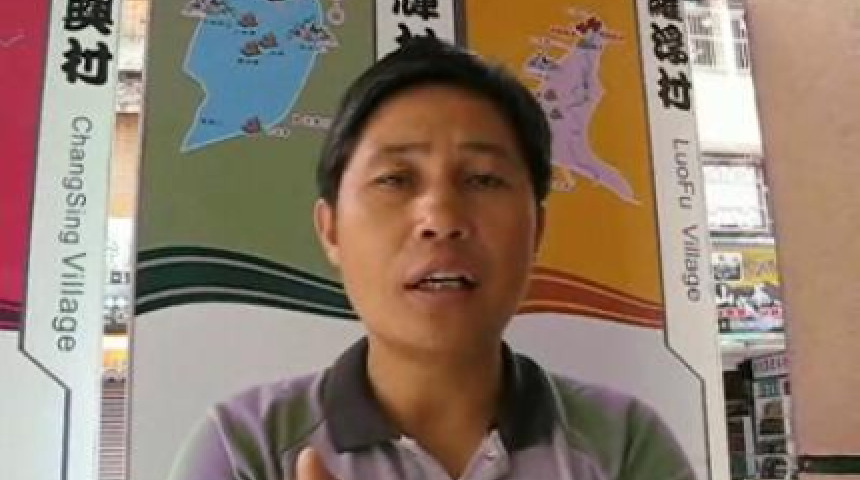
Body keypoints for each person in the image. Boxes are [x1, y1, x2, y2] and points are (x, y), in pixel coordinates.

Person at [167, 38, 696, 480]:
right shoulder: (244, 448)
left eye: (483, 179)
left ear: (537, 230)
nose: (440, 218)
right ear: (331, 230)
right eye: (395, 179)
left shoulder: (624, 445)